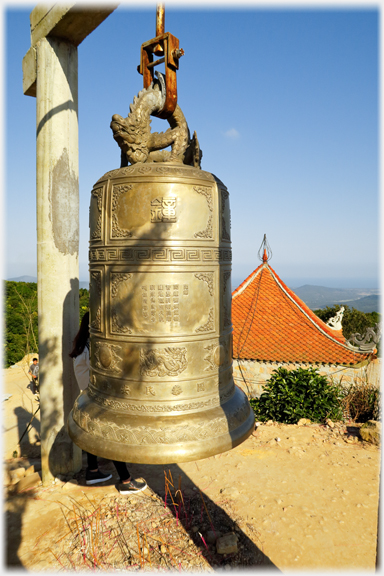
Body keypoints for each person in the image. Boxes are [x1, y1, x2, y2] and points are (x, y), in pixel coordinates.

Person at [70, 312, 147, 494]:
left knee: (94, 435)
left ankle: (93, 471)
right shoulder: (92, 347)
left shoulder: (83, 344)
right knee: (111, 437)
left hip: (89, 396)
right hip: (96, 397)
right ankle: (126, 481)